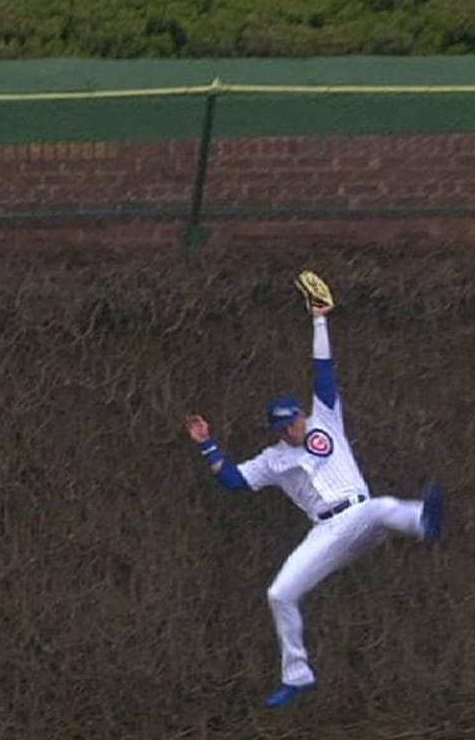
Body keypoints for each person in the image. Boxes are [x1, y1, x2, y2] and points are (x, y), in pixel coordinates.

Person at [182, 292, 444, 710]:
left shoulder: (325, 420)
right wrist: (207, 444)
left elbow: (323, 372)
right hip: (327, 531)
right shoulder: (273, 459)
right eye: (288, 426)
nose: (297, 428)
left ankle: (423, 523)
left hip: (361, 514)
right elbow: (233, 481)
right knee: (279, 594)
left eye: (298, 419)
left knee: (379, 507)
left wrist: (320, 321)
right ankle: (297, 676)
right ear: (278, 430)